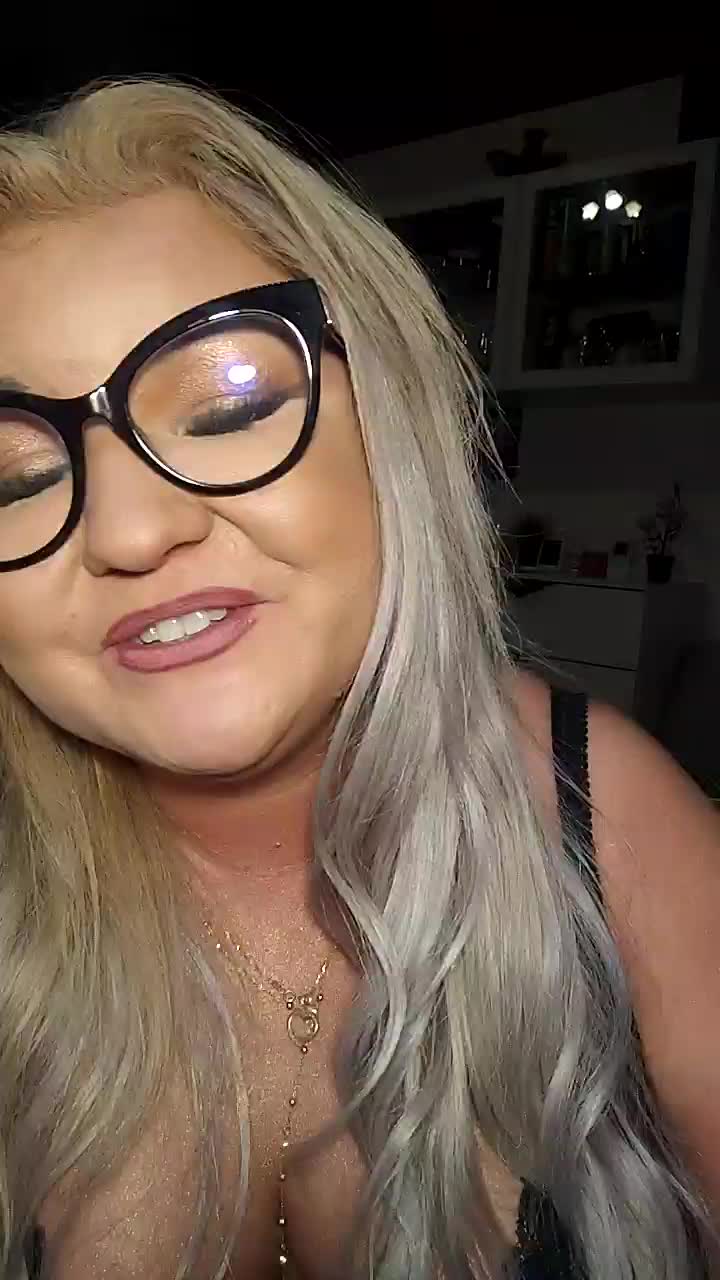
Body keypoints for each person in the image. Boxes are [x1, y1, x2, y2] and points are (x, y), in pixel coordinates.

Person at [0, 80, 718, 1280]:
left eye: (228, 404)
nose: (128, 531)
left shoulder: (608, 813)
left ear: (391, 421)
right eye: (14, 479)